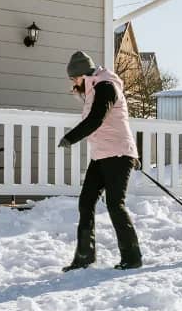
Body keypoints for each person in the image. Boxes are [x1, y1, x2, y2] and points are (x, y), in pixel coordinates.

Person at [58, 51, 143, 271]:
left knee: (115, 204)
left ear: (80, 75)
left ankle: (132, 258)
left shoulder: (106, 87)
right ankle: (84, 256)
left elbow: (97, 119)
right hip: (103, 154)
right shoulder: (94, 88)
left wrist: (70, 137)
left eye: (73, 78)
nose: (73, 83)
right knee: (86, 202)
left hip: (118, 154)